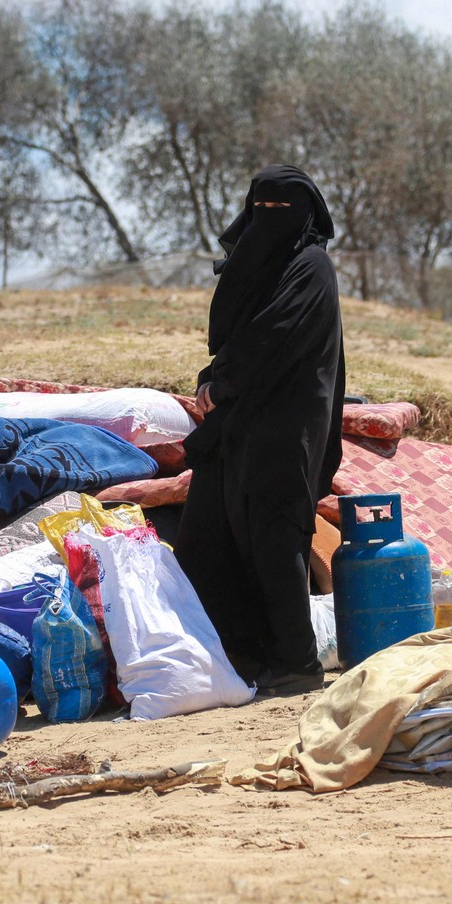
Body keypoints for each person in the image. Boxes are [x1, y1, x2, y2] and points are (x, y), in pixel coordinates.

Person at [176, 164, 345, 696]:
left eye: (282, 210)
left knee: (275, 538)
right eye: (261, 209)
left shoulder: (311, 265)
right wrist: (216, 377)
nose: (269, 220)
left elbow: (276, 332)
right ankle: (243, 655)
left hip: (287, 424)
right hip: (243, 421)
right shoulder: (257, 269)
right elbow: (238, 336)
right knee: (214, 531)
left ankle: (297, 664)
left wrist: (223, 379)